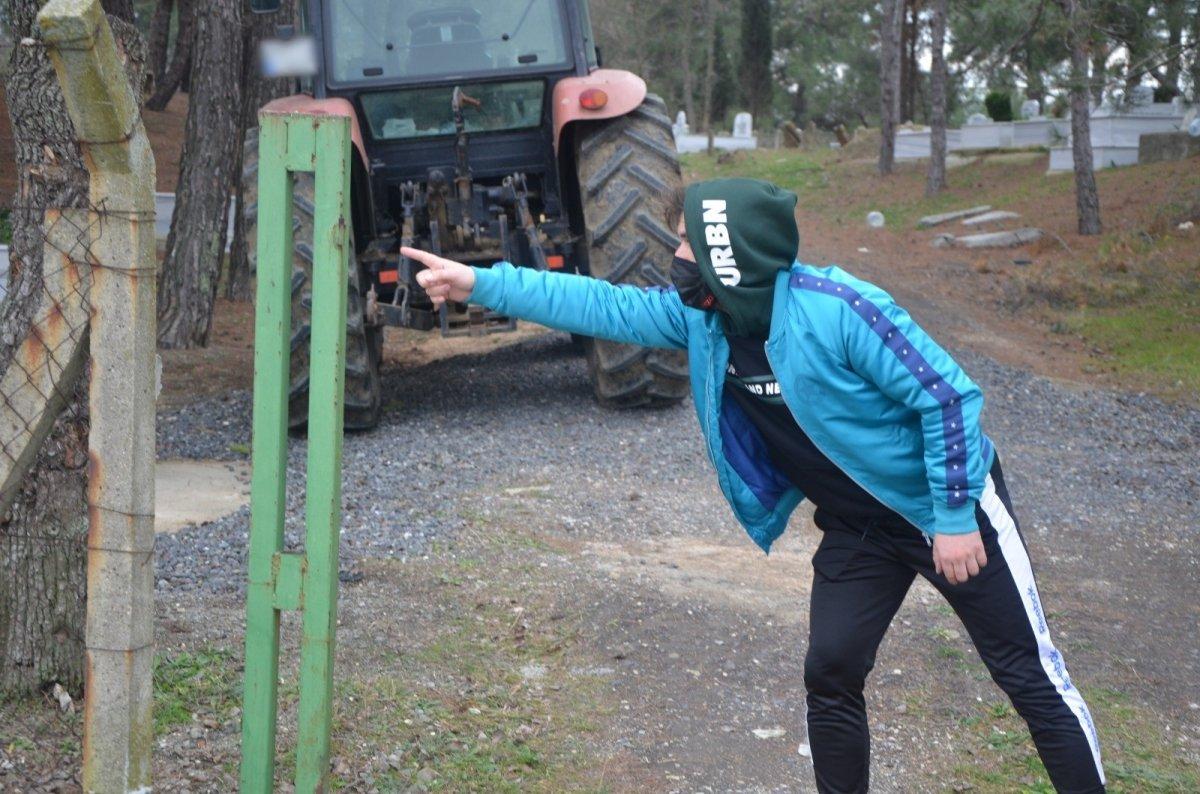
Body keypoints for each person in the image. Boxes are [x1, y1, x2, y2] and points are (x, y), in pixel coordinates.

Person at [403, 177, 1105, 793]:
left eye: (688, 246)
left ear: (728, 261)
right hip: (860, 530)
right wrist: (481, 283)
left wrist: (953, 517)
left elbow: (948, 398)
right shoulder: (704, 319)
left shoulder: (840, 310)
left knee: (1027, 676)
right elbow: (603, 306)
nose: (675, 258)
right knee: (830, 672)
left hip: (944, 511)